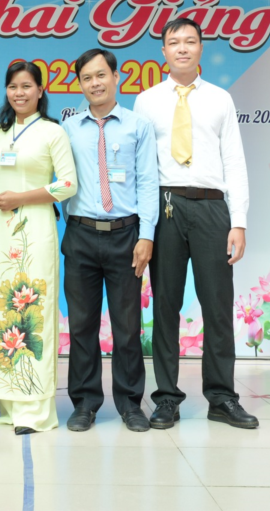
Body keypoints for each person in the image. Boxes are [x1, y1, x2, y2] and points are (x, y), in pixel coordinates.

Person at [134, 18, 258, 430]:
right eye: (174, 42)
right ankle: (166, 399)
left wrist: (238, 221)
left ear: (201, 48)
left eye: (190, 41)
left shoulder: (221, 99)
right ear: (164, 51)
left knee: (218, 306)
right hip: (166, 205)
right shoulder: (146, 101)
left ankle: (221, 397)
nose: (182, 48)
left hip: (211, 207)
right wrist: (144, 224)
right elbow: (141, 167)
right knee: (166, 306)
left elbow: (234, 161)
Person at [61, 49, 158, 434]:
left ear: (116, 77)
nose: (95, 83)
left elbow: (148, 182)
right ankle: (84, 403)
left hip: (126, 236)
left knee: (127, 327)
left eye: (101, 75)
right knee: (81, 326)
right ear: (80, 84)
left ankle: (131, 404)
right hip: (81, 235)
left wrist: (147, 235)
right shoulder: (68, 128)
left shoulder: (138, 126)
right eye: (87, 78)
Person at [0, 61, 78, 435]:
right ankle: (10, 404)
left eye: (27, 86)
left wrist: (21, 198)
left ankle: (37, 410)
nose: (19, 93)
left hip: (36, 228)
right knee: (2, 310)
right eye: (13, 86)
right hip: (1, 229)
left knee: (32, 306)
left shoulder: (53, 132)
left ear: (41, 90)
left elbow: (68, 184)